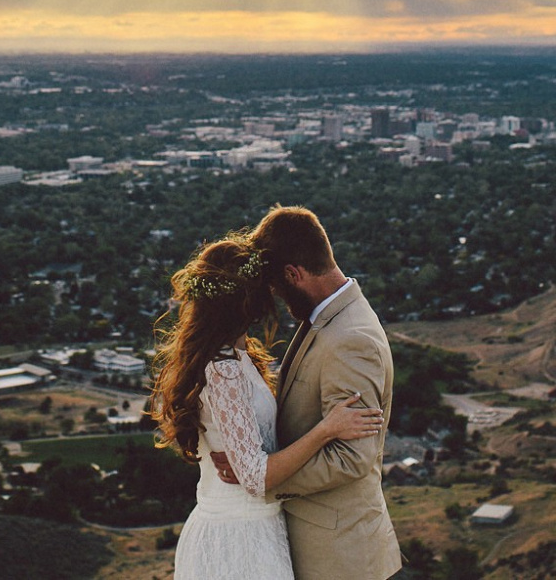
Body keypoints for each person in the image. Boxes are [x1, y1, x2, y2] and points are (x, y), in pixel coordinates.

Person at [151, 234, 385, 580]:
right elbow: (256, 477)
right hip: (239, 540)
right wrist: (327, 429)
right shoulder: (225, 371)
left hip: (252, 529)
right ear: (248, 301)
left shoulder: (235, 359)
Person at [213, 207, 401, 580]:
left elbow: (351, 458)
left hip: (339, 557)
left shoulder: (350, 340)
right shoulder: (328, 318)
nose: (279, 299)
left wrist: (263, 477)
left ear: (293, 274)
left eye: (277, 287)